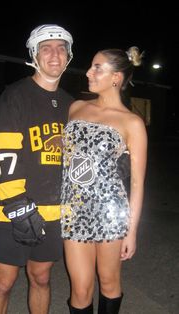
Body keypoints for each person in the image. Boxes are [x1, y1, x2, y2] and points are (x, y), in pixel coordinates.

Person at [0, 24, 74, 314]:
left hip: (52, 212)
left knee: (42, 278)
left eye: (61, 48)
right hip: (10, 209)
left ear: (69, 56)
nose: (54, 55)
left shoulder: (74, 106)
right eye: (46, 48)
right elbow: (1, 150)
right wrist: (16, 204)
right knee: (3, 282)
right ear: (34, 55)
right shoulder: (15, 96)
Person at [60, 47, 147, 313]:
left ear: (116, 78)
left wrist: (131, 231)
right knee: (80, 287)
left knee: (108, 282)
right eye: (91, 66)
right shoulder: (76, 108)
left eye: (97, 67)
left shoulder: (132, 122)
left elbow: (136, 183)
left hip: (111, 212)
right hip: (74, 209)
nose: (88, 72)